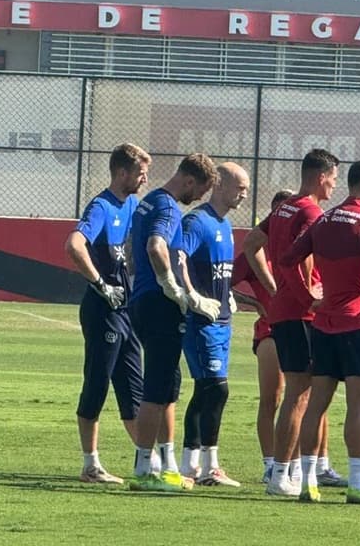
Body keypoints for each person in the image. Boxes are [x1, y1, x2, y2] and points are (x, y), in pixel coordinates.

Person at [282, 160, 360, 505]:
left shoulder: (324, 219)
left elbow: (288, 259)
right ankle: (358, 484)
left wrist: (308, 298)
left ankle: (306, 483)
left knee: (316, 403)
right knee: (358, 405)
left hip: (323, 325)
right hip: (358, 324)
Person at [242, 149, 340, 496]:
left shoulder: (284, 208)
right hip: (299, 315)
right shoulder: (311, 212)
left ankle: (290, 470)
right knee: (300, 394)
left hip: (283, 311)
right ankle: (282, 475)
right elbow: (291, 261)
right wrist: (307, 295)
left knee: (299, 394)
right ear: (321, 177)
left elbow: (253, 243)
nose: (334, 185)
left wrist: (274, 290)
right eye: (333, 178)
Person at [126, 153, 221, 492]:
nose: (198, 199)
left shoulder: (147, 203)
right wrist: (171, 287)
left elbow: (131, 250)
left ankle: (166, 466)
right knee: (157, 386)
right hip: (158, 305)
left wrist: (142, 283)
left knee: (169, 385)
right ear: (190, 181)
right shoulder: (167, 207)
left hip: (145, 301)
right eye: (201, 191)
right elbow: (155, 247)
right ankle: (144, 469)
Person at [64, 143, 151, 484]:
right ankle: (91, 465)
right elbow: (73, 245)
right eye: (140, 174)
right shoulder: (101, 206)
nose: (144, 180)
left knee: (135, 389)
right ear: (121, 173)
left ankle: (148, 462)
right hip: (103, 309)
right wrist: (101, 283)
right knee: (97, 385)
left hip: (126, 311)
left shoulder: (132, 205)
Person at [178, 163, 250, 487]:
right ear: (219, 184)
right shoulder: (197, 221)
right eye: (240, 188)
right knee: (215, 389)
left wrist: (229, 298)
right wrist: (192, 296)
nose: (244, 195)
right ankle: (205, 465)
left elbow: (221, 273)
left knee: (207, 390)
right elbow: (178, 256)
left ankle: (195, 465)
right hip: (201, 321)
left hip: (223, 321)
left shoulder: (225, 226)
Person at [233, 189, 292, 484]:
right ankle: (270, 463)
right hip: (269, 329)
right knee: (273, 397)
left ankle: (305, 464)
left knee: (305, 397)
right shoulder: (257, 248)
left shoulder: (302, 242)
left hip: (300, 327)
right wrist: (253, 303)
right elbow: (219, 282)